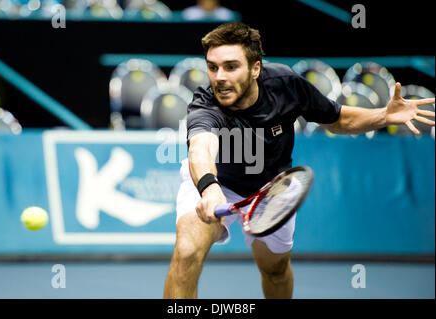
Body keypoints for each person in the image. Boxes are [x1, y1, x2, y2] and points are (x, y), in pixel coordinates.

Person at [163, 22, 435, 299]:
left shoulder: (285, 85)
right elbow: (200, 147)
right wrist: (209, 188)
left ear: (255, 68)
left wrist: (383, 116)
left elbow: (337, 119)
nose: (219, 77)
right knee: (186, 255)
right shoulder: (206, 104)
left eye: (231, 66)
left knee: (275, 271)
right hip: (218, 185)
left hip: (272, 192)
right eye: (212, 67)